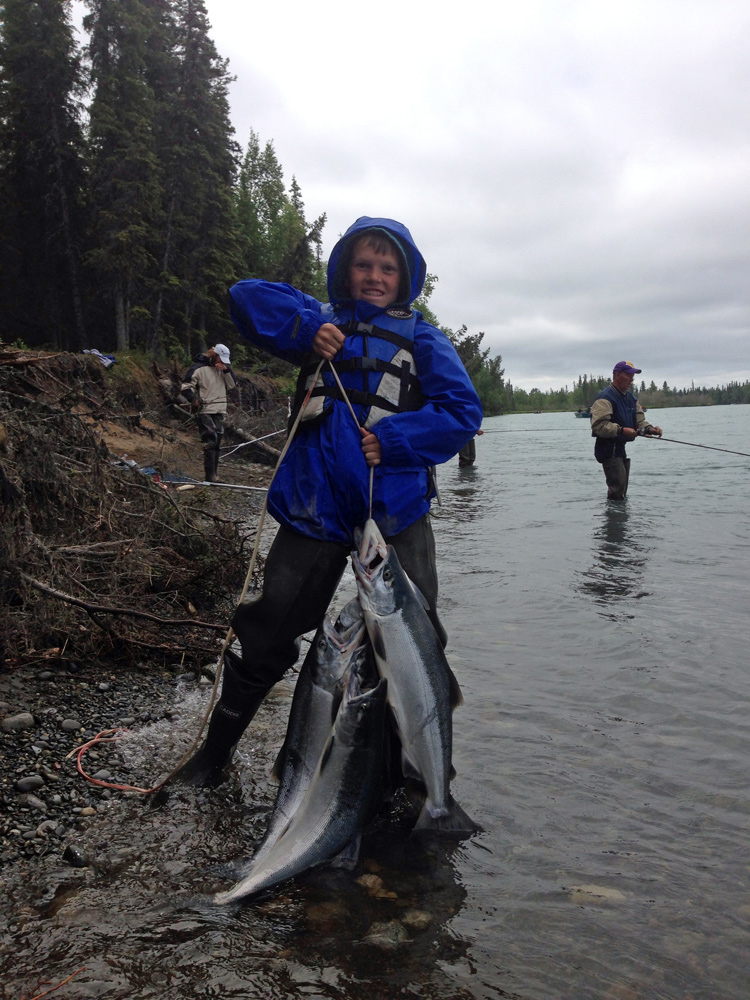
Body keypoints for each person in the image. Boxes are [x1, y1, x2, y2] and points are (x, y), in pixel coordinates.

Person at [170, 216, 483, 787]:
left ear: (406, 275)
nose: (374, 276)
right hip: (314, 509)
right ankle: (213, 756)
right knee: (269, 629)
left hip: (398, 513)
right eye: (363, 264)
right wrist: (309, 324)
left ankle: (415, 779)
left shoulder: (425, 339)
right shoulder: (321, 323)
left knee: (415, 644)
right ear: (345, 270)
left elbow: (463, 413)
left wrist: (393, 440)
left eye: (388, 267)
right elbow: (244, 298)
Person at [590, 361, 663, 500]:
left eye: (633, 375)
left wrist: (650, 429)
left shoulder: (631, 399)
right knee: (618, 491)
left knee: (621, 491)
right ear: (616, 375)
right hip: (607, 449)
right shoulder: (604, 398)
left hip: (620, 448)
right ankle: (614, 519)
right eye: (628, 375)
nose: (631, 379)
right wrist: (622, 430)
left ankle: (619, 520)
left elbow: (640, 421)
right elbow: (599, 426)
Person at [179, 344, 238, 483]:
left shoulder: (224, 370)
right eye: (221, 359)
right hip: (204, 410)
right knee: (210, 439)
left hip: (219, 410)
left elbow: (232, 385)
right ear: (214, 355)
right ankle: (210, 476)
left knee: (217, 441)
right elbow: (185, 387)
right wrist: (194, 399)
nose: (222, 362)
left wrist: (226, 370)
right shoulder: (197, 368)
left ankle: (214, 475)